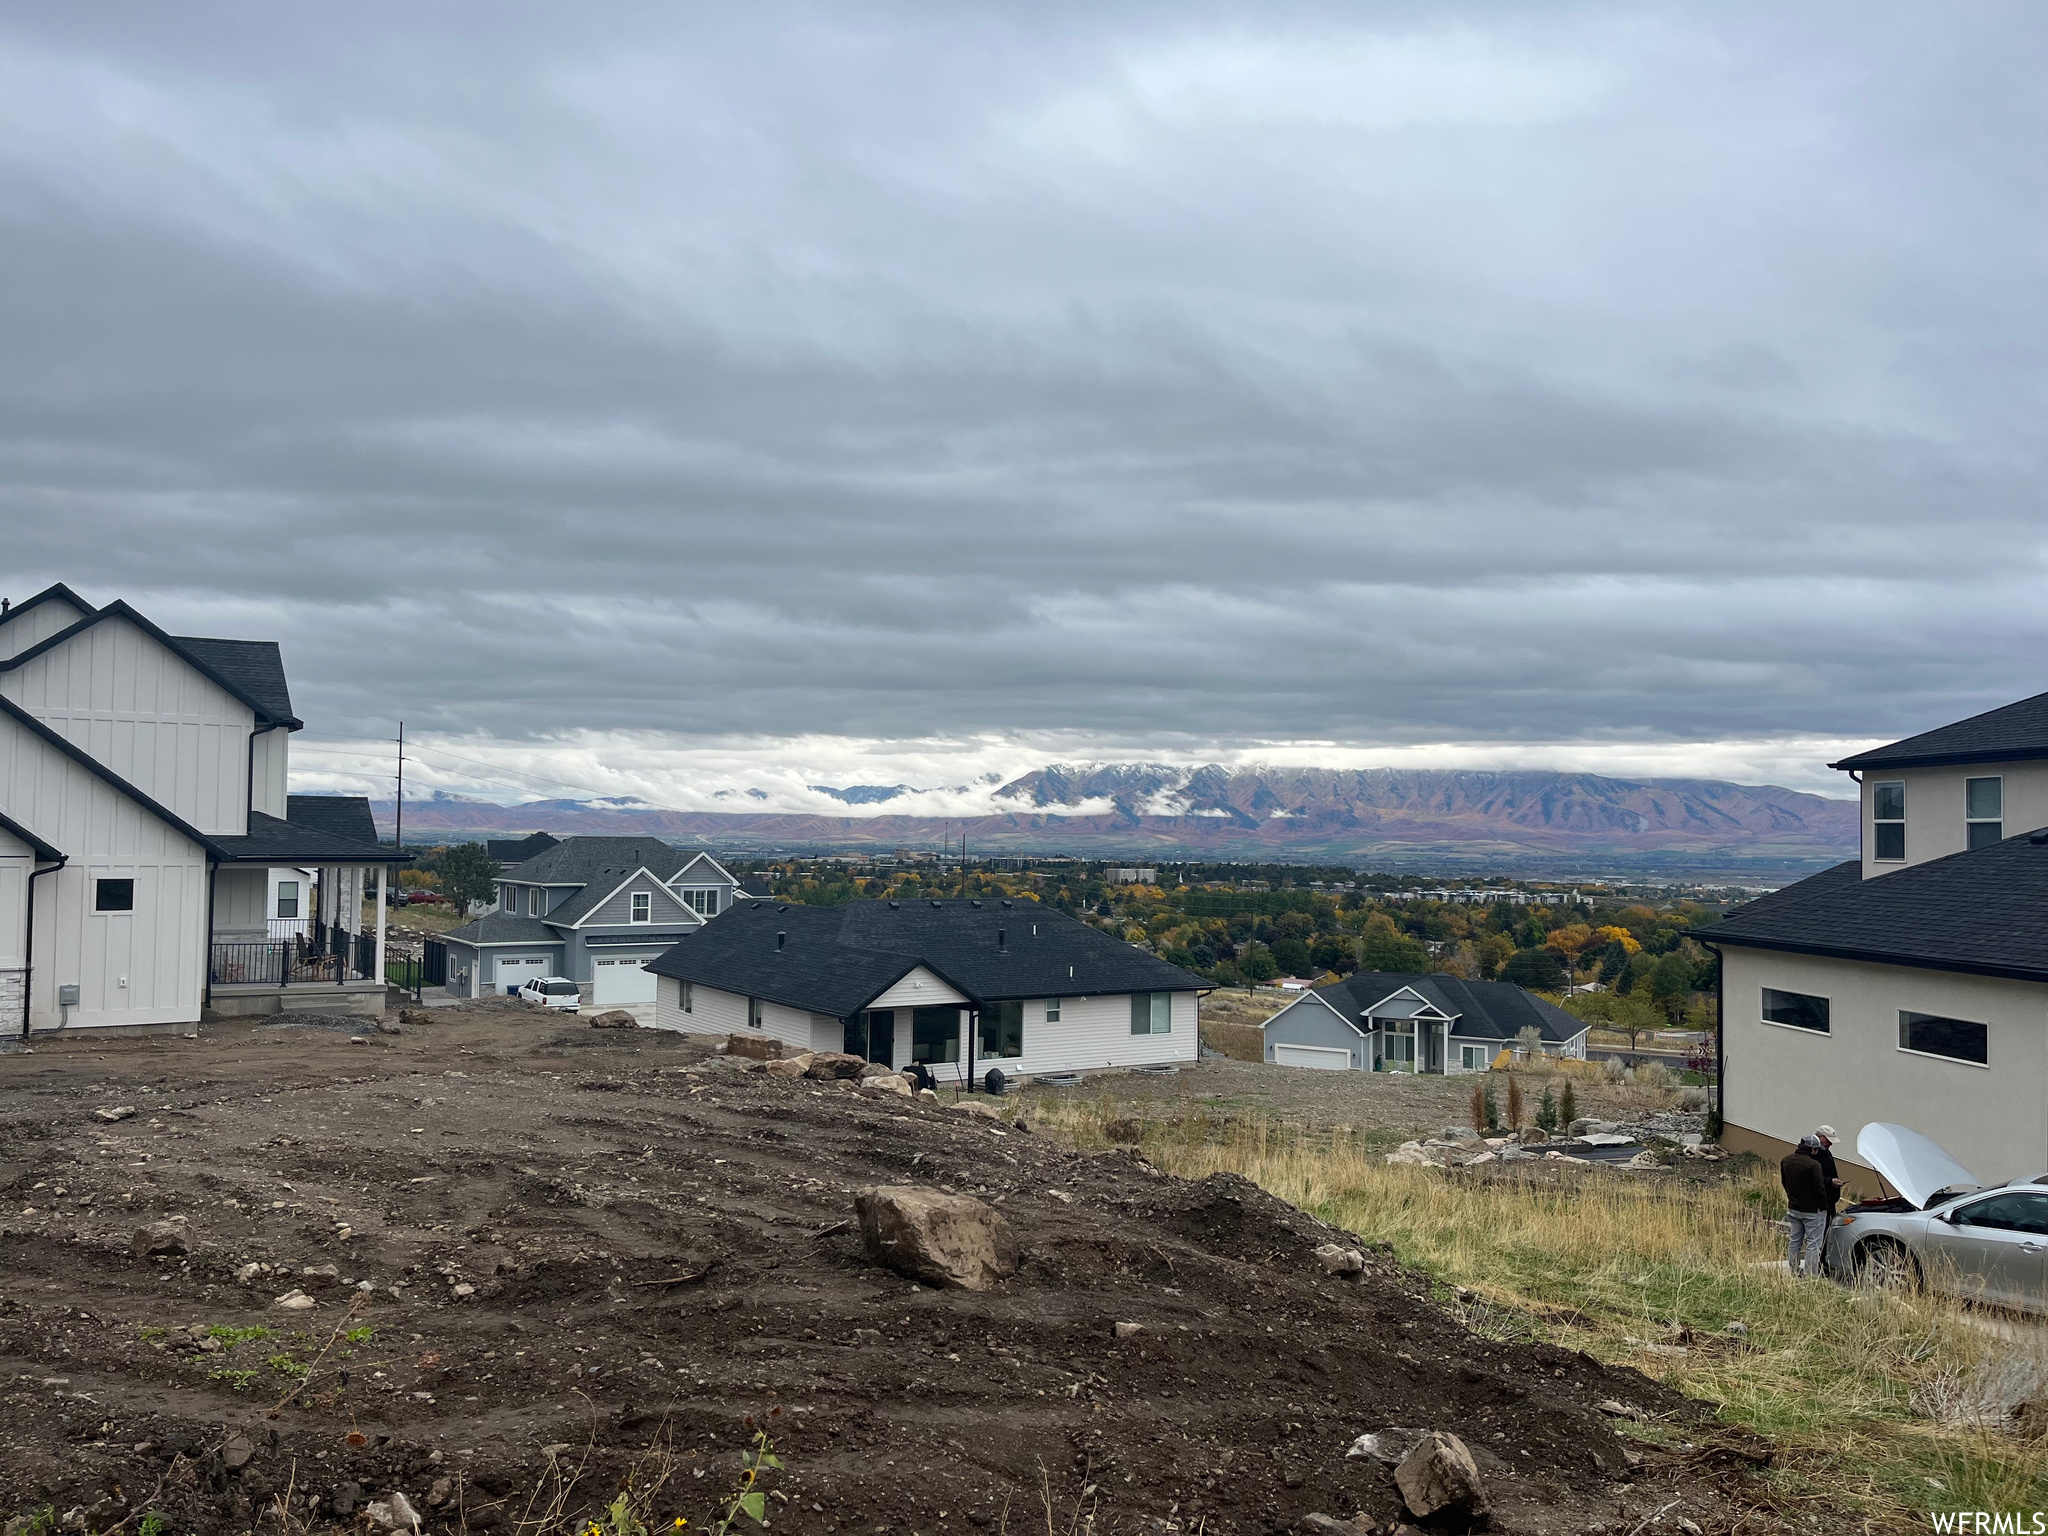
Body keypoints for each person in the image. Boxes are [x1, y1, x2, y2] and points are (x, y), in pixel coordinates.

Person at [1781, 1135, 1831, 1277]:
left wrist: (1792, 1198)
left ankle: (1794, 1271)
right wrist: (1824, 1206)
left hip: (1794, 1208)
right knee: (1813, 1245)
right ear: (1813, 1149)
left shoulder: (1786, 1160)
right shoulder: (1814, 1165)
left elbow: (1784, 1183)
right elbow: (1819, 1189)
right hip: (1813, 1211)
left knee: (1794, 1241)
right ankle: (1810, 1276)